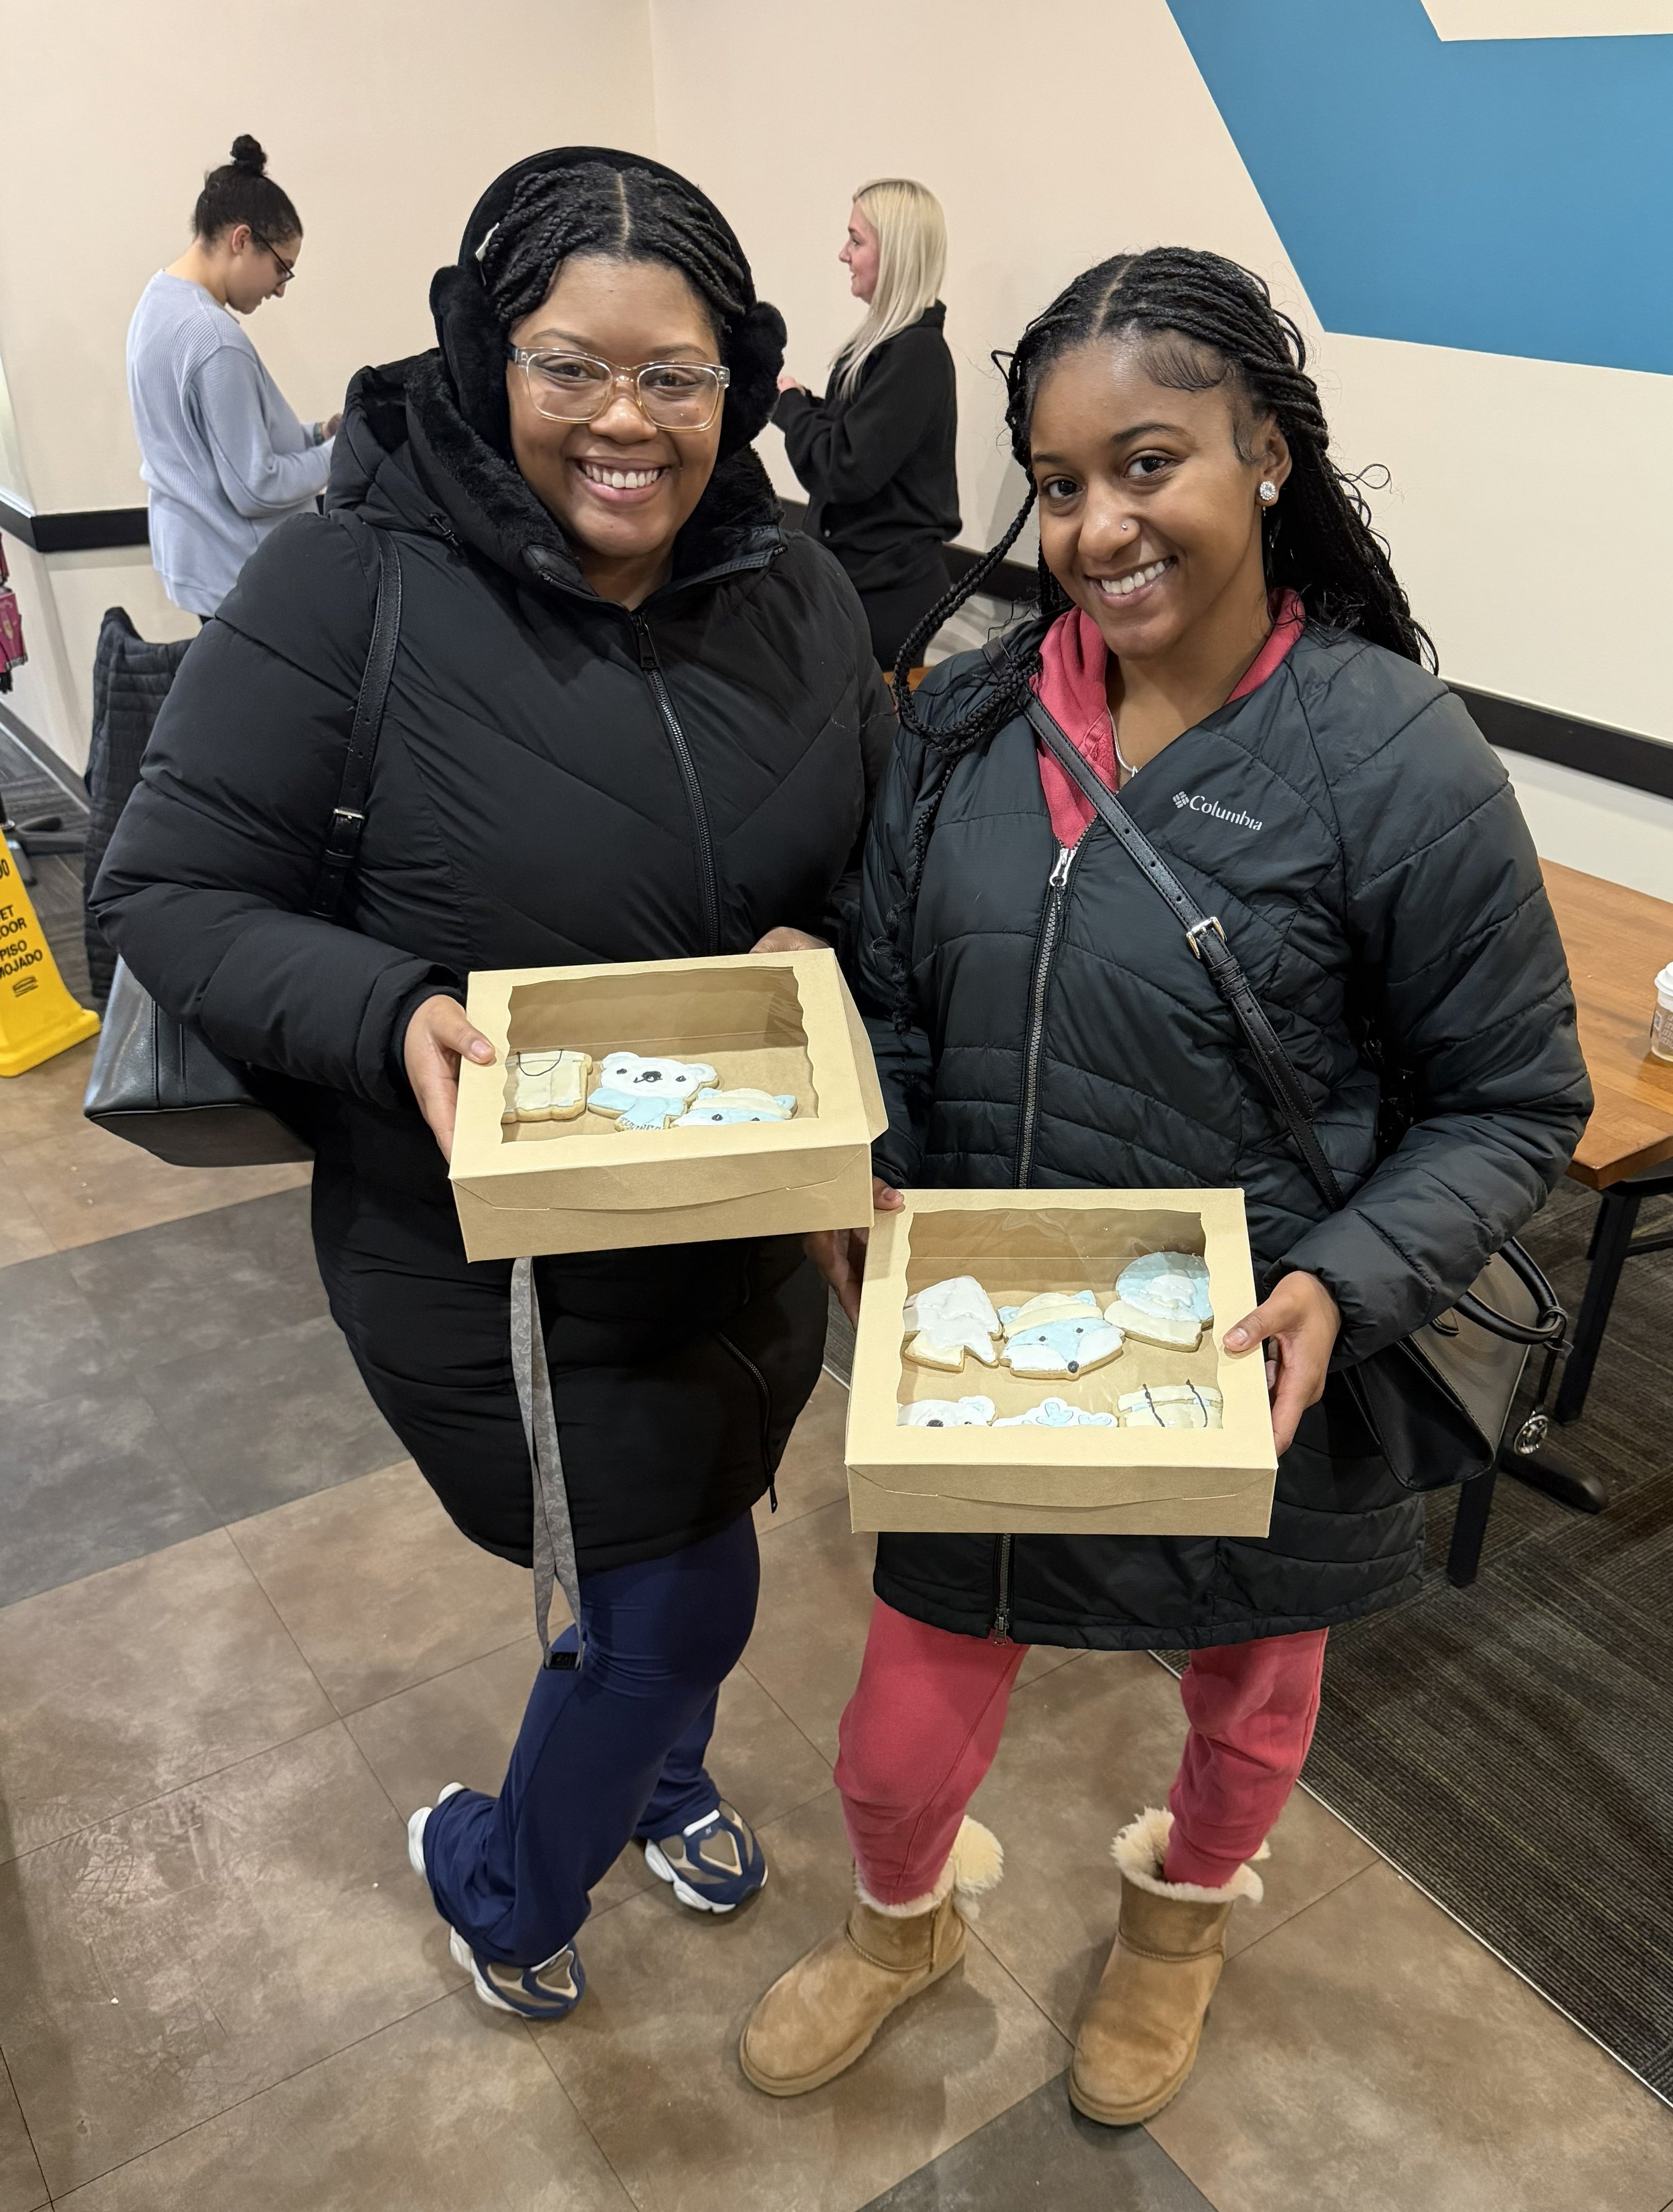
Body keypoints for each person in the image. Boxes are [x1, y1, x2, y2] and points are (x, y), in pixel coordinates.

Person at [743, 248, 1591, 2120]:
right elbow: (880, 988)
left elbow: (1510, 1099)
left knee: (1247, 1707)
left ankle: (1182, 1920)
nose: (1097, 527)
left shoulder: (1389, 760)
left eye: (1148, 465)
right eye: (1057, 486)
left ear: (1264, 455)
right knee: (891, 1748)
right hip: (975, 1351)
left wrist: (1342, 1285)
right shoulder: (965, 728)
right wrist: (862, 1154)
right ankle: (905, 1925)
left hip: (1238, 1355)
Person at [94, 148, 894, 2023]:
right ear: (484, 354)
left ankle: (666, 1778)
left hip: (737, 1215)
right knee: (679, 1599)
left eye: (677, 376)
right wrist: (387, 1009)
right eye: (569, 366)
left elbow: (865, 858)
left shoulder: (794, 589)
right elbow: (162, 885)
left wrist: (829, 954)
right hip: (486, 1253)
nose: (625, 422)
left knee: (688, 1556)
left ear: (740, 376)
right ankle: (503, 1878)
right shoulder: (342, 584)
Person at [126, 136, 339, 620]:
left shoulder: (157, 301)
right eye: (282, 269)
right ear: (242, 240)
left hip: (198, 564)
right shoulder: (213, 339)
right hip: (240, 580)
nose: (281, 290)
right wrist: (337, 453)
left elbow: (212, 442)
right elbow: (256, 486)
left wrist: (313, 436)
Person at [774, 179, 960, 670]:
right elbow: (851, 433)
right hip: (862, 574)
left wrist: (791, 407)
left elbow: (844, 467)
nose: (843, 254)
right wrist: (794, 401)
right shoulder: (890, 347)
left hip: (886, 588)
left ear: (894, 254)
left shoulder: (916, 355)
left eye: (856, 240)